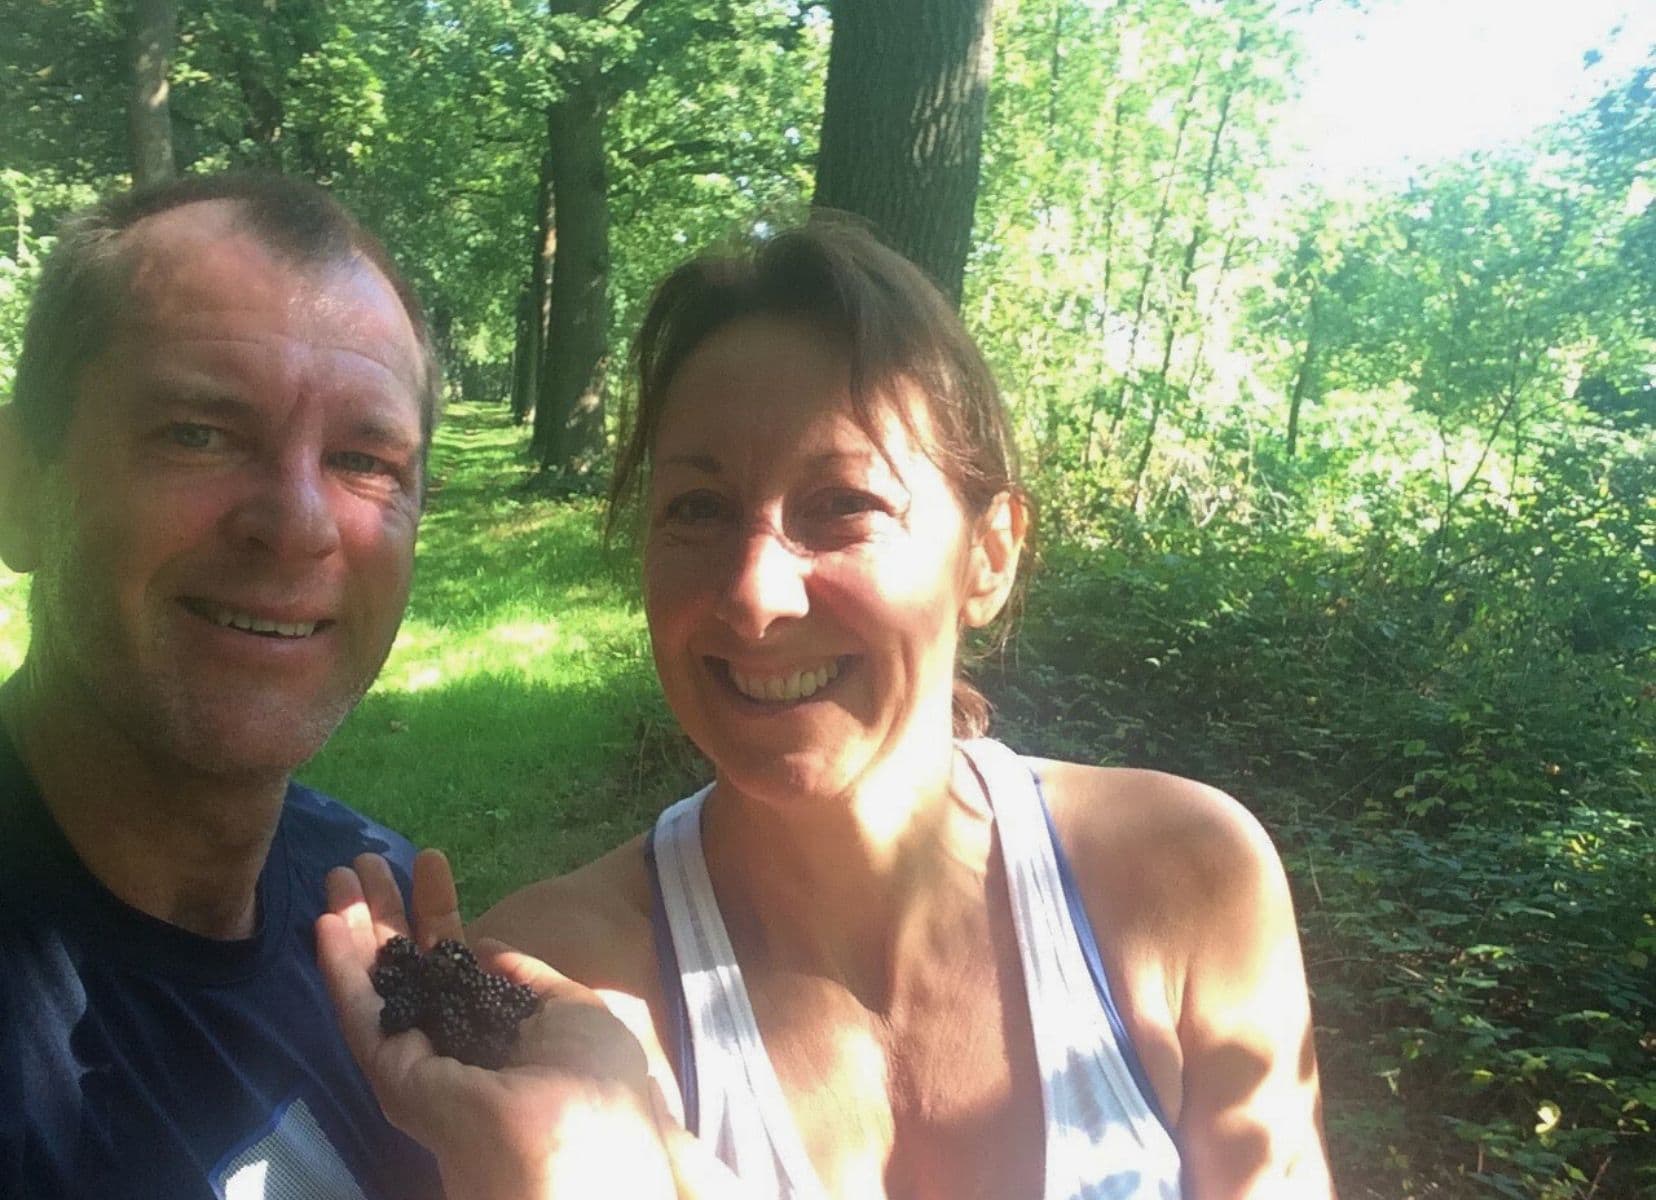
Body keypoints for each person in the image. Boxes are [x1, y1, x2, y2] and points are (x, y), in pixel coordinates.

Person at [321, 222, 1335, 1198]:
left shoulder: (1179, 882)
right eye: (699, 509)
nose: (755, 593)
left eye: (842, 503)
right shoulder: (557, 984)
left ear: (989, 554)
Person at [0, 173, 446, 1198]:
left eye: (365, 458)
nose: (296, 523)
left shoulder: (371, 900)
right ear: (19, 486)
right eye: (197, 432)